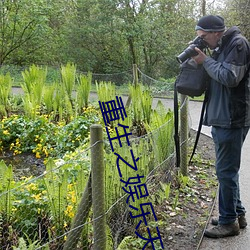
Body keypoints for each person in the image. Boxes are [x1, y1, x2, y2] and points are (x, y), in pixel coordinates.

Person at [192, 15, 250, 238]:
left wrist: (205, 61)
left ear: (216, 32)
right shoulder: (221, 46)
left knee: (225, 171)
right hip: (222, 117)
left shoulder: (238, 44)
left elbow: (229, 77)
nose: (203, 41)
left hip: (232, 118)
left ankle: (228, 223)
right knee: (227, 171)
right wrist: (202, 60)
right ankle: (237, 214)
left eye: (204, 37)